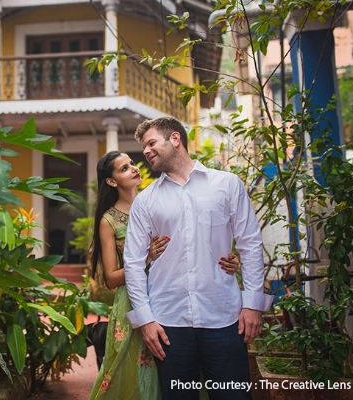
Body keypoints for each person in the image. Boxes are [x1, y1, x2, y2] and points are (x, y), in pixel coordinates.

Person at [124, 117, 273, 400]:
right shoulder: (146, 200)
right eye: (144, 147)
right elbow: (132, 262)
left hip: (225, 318)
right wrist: (145, 320)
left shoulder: (227, 185)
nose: (145, 151)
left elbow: (250, 244)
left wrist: (253, 304)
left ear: (176, 139)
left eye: (151, 143)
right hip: (168, 324)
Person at [88, 150, 241, 399]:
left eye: (132, 163)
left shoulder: (156, 200)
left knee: (181, 370)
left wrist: (229, 261)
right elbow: (111, 279)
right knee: (138, 373)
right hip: (135, 303)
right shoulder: (110, 221)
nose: (134, 168)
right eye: (124, 168)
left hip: (174, 294)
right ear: (111, 181)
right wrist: (143, 261)